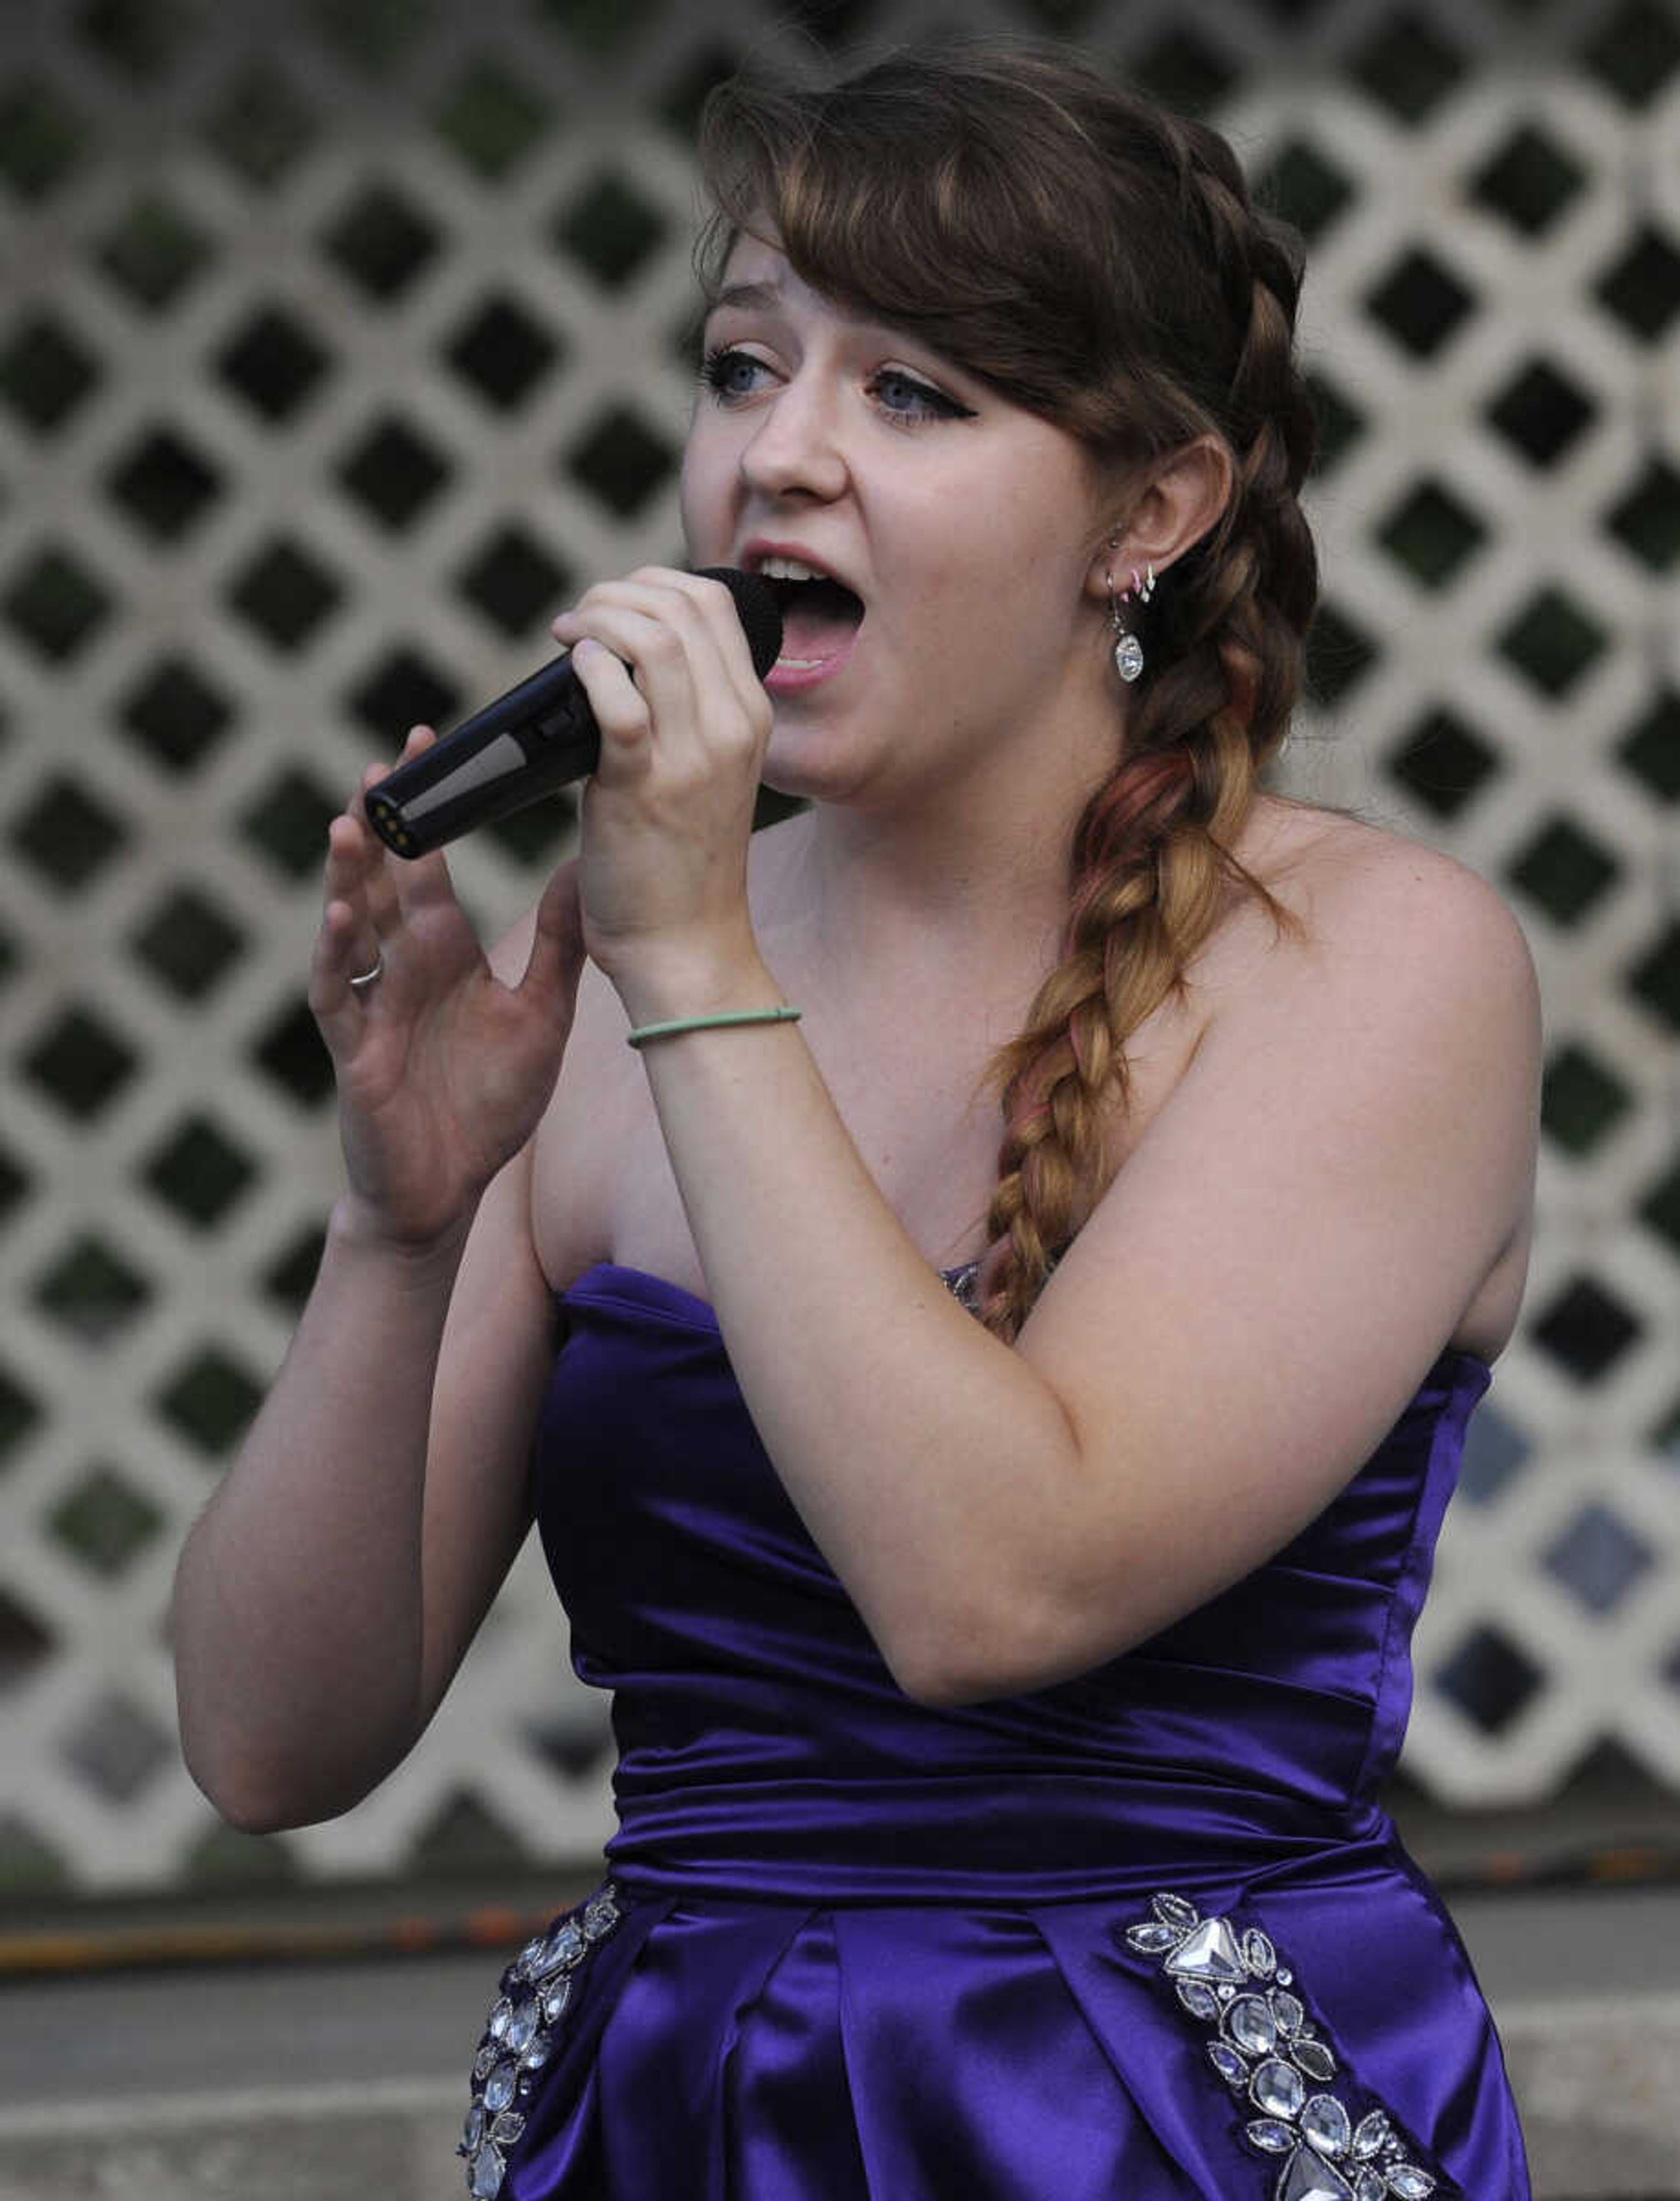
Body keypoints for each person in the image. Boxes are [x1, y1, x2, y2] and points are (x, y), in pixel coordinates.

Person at [172, 37, 1539, 2200]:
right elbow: (267, 1744)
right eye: (743, 369)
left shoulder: (1379, 965)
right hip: (688, 2125)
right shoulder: (621, 986)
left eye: (914, 394)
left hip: (1142, 2124)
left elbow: (989, 1594)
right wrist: (402, 1229)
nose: (779, 459)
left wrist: (704, 968)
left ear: (1153, 513)